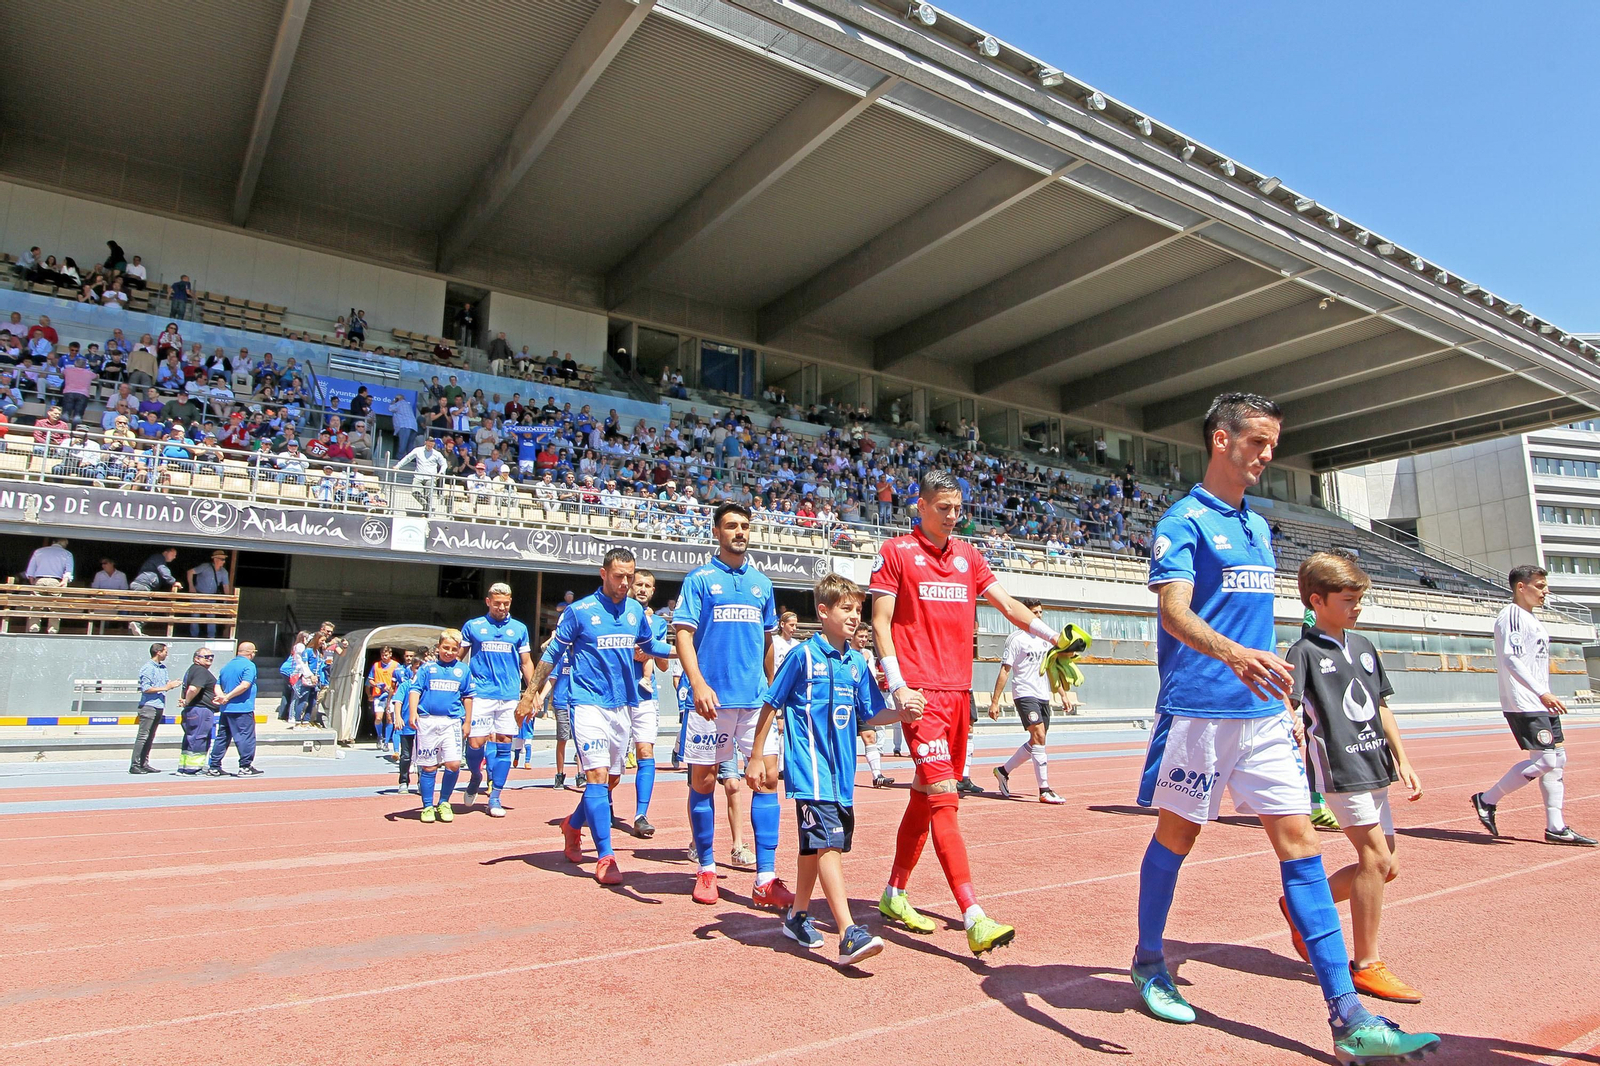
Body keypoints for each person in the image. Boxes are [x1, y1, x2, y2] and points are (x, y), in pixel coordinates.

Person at [1129, 393, 1437, 1062]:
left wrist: (1285, 702)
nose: (1269, 454)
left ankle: (1346, 1015)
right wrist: (1238, 657)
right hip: (1201, 710)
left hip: (1264, 715)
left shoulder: (1259, 527)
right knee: (1177, 837)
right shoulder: (1182, 522)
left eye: (1273, 444)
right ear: (1221, 439)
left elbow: (1258, 627)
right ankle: (1149, 960)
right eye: (1258, 442)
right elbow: (1175, 615)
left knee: (1302, 846)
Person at [870, 470, 1075, 956]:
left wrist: (1055, 639)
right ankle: (973, 915)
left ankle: (894, 893)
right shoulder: (896, 553)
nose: (953, 516)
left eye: (958, 508)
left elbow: (1007, 605)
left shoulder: (969, 555)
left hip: (960, 695)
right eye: (943, 507)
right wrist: (897, 686)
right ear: (920, 506)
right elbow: (879, 622)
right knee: (944, 796)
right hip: (920, 696)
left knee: (924, 796)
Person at [1284, 554, 1423, 1003]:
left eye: (1359, 599)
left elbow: (1381, 706)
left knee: (1388, 868)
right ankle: (1367, 964)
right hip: (1340, 770)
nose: (1356, 607)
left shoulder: (1363, 646)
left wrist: (1402, 759)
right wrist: (1291, 731)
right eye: (1348, 600)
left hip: (1376, 765)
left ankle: (1300, 906)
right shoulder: (1303, 651)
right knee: (1374, 859)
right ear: (1317, 601)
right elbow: (1290, 705)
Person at [749, 574, 907, 965]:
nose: (855, 616)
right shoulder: (802, 656)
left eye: (858, 609)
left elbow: (872, 711)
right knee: (828, 844)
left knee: (814, 846)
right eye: (846, 609)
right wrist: (756, 756)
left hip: (841, 773)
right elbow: (771, 704)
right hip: (809, 770)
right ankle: (848, 931)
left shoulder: (856, 662)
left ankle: (798, 915)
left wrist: (902, 711)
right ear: (823, 612)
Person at [674, 503, 790, 908]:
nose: (740, 532)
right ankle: (706, 868)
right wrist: (698, 683)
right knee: (704, 783)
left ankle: (766, 877)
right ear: (716, 532)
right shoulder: (700, 580)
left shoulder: (762, 583)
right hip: (710, 703)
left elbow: (769, 642)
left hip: (755, 702)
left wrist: (773, 690)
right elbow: (684, 637)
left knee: (767, 781)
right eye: (731, 526)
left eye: (745, 526)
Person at [533, 547, 665, 885]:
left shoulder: (636, 611)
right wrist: (529, 693)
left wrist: (691, 653)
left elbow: (651, 647)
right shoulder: (580, 612)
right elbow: (552, 652)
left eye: (630, 576)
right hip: (587, 703)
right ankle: (606, 857)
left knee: (610, 780)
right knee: (596, 776)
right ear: (603, 574)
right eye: (619, 576)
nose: (625, 583)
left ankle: (572, 824)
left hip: (623, 705)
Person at [1470, 565, 1596, 847]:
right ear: (1521, 588)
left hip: (1540, 700)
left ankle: (1556, 827)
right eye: (1539, 586)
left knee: (1557, 760)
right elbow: (1511, 659)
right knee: (1545, 760)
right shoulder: (1512, 615)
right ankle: (1486, 799)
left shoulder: (1531, 618)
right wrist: (1541, 693)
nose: (1545, 591)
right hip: (1525, 701)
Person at [461, 583, 535, 818]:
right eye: (497, 603)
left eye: (505, 603)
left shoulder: (519, 629)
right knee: (475, 743)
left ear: (510, 602)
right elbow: (459, 660)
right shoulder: (473, 627)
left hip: (509, 696)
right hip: (480, 694)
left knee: (505, 743)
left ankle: (495, 797)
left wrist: (532, 693)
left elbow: (526, 662)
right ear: (488, 602)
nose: (501, 607)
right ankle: (475, 775)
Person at [990, 598, 1065, 804]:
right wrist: (995, 701)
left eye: (1040, 612)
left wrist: (1062, 694)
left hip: (1043, 695)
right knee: (1039, 735)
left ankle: (1003, 771)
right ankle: (1045, 789)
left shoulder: (1046, 639)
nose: (1038, 616)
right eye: (1034, 612)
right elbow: (1005, 670)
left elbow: (1051, 668)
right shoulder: (1017, 639)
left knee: (1037, 741)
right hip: (1024, 693)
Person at [623, 568, 671, 838]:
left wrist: (650, 652)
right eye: (638, 583)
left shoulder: (659, 623)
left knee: (645, 752)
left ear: (654, 591)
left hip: (645, 697)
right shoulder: (618, 614)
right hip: (616, 696)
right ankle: (601, 804)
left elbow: (663, 665)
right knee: (613, 762)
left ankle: (641, 814)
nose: (642, 589)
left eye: (647, 586)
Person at [409, 630, 474, 823]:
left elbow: (468, 697)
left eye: (454, 649)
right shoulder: (427, 669)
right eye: (445, 648)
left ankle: (444, 802)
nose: (449, 652)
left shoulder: (463, 670)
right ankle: (427, 806)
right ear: (438, 648)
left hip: (451, 722)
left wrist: (468, 722)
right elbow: (415, 690)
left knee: (453, 763)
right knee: (429, 767)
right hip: (428, 720)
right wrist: (413, 713)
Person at [208, 643, 263, 777]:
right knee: (245, 737)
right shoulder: (249, 665)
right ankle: (245, 766)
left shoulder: (227, 666)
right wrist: (227, 697)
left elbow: (217, 684)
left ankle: (214, 766)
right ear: (251, 653)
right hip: (242, 708)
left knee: (223, 737)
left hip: (226, 709)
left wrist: (221, 697)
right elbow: (245, 685)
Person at [851, 623, 895, 788]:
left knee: (870, 736)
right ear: (852, 637)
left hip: (865, 703)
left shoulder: (869, 654)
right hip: (848, 703)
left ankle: (877, 775)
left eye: (865, 637)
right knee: (845, 743)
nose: (863, 639)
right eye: (860, 636)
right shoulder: (846, 654)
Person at [130, 643, 182, 774]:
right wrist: (166, 687)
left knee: (151, 736)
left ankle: (144, 763)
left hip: (159, 705)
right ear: (158, 652)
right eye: (165, 651)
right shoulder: (148, 668)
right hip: (149, 706)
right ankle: (135, 765)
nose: (167, 654)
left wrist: (171, 685)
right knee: (143, 736)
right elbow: (146, 688)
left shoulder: (163, 668)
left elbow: (164, 684)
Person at [176, 647, 223, 776]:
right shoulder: (200, 671)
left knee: (191, 738)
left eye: (212, 656)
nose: (210, 659)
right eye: (206, 657)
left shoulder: (192, 670)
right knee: (199, 738)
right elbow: (193, 689)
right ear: (196, 658)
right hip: (201, 710)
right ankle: (193, 768)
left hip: (194, 710)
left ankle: (185, 766)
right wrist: (187, 701)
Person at [24, 537, 74, 634]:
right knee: (54, 607)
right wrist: (65, 580)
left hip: (39, 580)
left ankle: (33, 629)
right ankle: (52, 631)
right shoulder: (67, 554)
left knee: (36, 606)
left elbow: (30, 571)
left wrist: (32, 582)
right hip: (55, 581)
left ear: (53, 542)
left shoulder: (39, 551)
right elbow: (68, 571)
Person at [392, 649, 420, 793]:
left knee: (423, 755)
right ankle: (403, 781)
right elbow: (397, 701)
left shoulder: (427, 686)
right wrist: (398, 717)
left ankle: (422, 782)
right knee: (406, 755)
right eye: (416, 668)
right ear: (412, 669)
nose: (419, 671)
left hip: (422, 726)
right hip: (408, 726)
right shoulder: (405, 685)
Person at [187, 551, 231, 637]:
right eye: (222, 559)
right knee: (195, 616)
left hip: (212, 596)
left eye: (224, 559)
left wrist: (227, 599)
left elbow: (226, 586)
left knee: (211, 617)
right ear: (215, 559)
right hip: (199, 595)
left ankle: (211, 637)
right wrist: (191, 586)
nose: (224, 561)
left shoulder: (224, 572)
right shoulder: (205, 566)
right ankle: (194, 636)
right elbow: (190, 572)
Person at [368, 646, 401, 755]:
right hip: (378, 694)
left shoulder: (396, 665)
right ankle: (379, 736)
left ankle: (387, 742)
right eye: (382, 655)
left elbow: (400, 680)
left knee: (389, 719)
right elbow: (370, 680)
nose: (384, 657)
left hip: (391, 695)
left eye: (386, 655)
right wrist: (377, 684)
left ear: (390, 654)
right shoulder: (376, 665)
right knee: (378, 718)